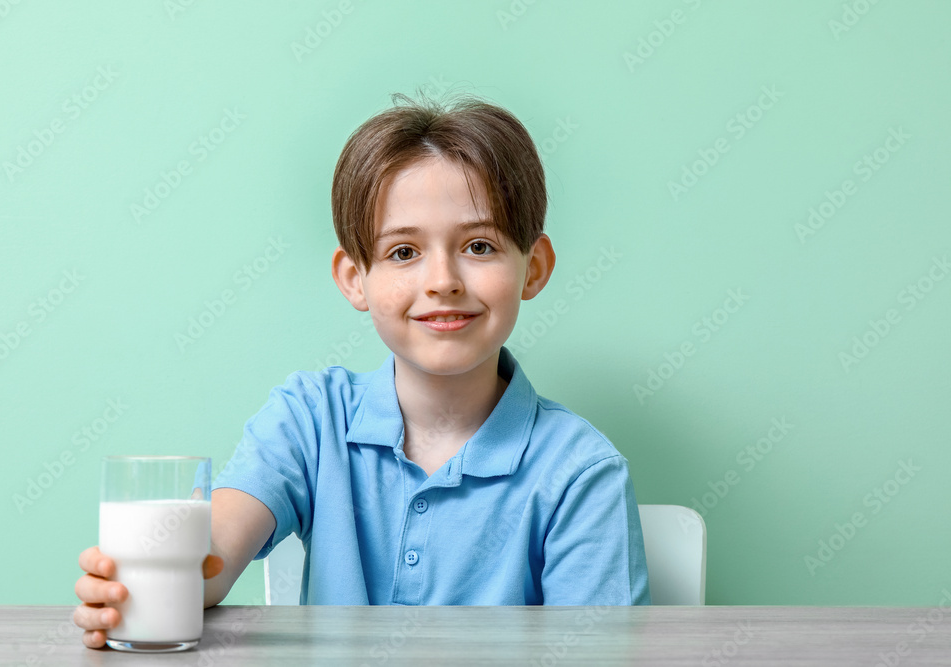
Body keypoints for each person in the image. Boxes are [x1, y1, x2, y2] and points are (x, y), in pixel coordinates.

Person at [74, 90, 650, 648]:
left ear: (534, 268)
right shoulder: (309, 417)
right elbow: (212, 555)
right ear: (355, 279)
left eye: (479, 246)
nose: (442, 280)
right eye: (404, 252)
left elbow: (594, 653)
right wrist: (142, 584)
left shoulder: (582, 473)